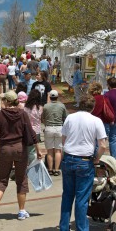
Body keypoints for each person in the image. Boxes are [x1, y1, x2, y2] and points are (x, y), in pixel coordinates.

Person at [0, 90, 42, 227]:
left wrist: (3, 134)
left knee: (2, 179)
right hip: (20, 149)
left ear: (7, 101)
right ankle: (22, 211)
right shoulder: (22, 114)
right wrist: (38, 150)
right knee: (21, 179)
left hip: (5, 149)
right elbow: (31, 133)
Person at [59, 95, 107, 231]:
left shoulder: (70, 117)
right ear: (92, 107)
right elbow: (102, 145)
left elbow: (64, 139)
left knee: (67, 195)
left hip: (69, 157)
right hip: (85, 160)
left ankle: (64, 226)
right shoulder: (96, 121)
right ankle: (81, 228)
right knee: (82, 198)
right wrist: (97, 159)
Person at [42, 90, 67, 176]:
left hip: (49, 128)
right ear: (57, 97)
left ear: (50, 97)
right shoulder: (62, 106)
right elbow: (65, 118)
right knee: (58, 150)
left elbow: (43, 118)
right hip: (59, 128)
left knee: (49, 151)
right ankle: (56, 169)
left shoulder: (45, 106)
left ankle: (50, 169)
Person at [24, 89, 43, 164]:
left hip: (27, 131)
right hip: (37, 131)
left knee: (28, 150)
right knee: (33, 150)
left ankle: (29, 166)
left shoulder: (26, 108)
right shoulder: (40, 108)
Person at [104, 77, 116, 158]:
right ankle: (114, 158)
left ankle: (100, 157)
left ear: (109, 85)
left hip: (108, 119)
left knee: (103, 138)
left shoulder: (106, 95)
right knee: (113, 139)